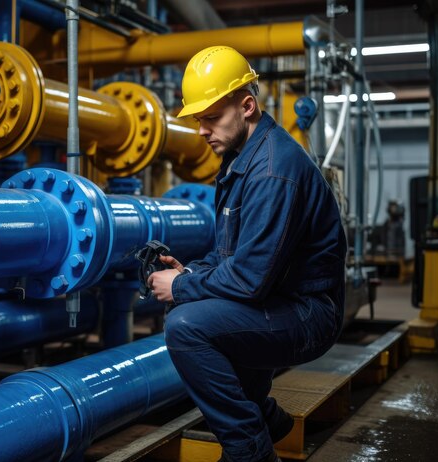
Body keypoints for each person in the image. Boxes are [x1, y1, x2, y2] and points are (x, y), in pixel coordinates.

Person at [147, 46, 347, 462]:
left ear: (248, 106)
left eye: (211, 117)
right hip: (280, 298)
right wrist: (191, 271)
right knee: (202, 310)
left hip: (308, 312)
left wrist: (182, 286)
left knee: (186, 326)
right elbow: (231, 256)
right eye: (198, 119)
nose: (202, 130)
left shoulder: (272, 170)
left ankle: (249, 450)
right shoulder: (244, 160)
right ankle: (268, 422)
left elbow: (249, 279)